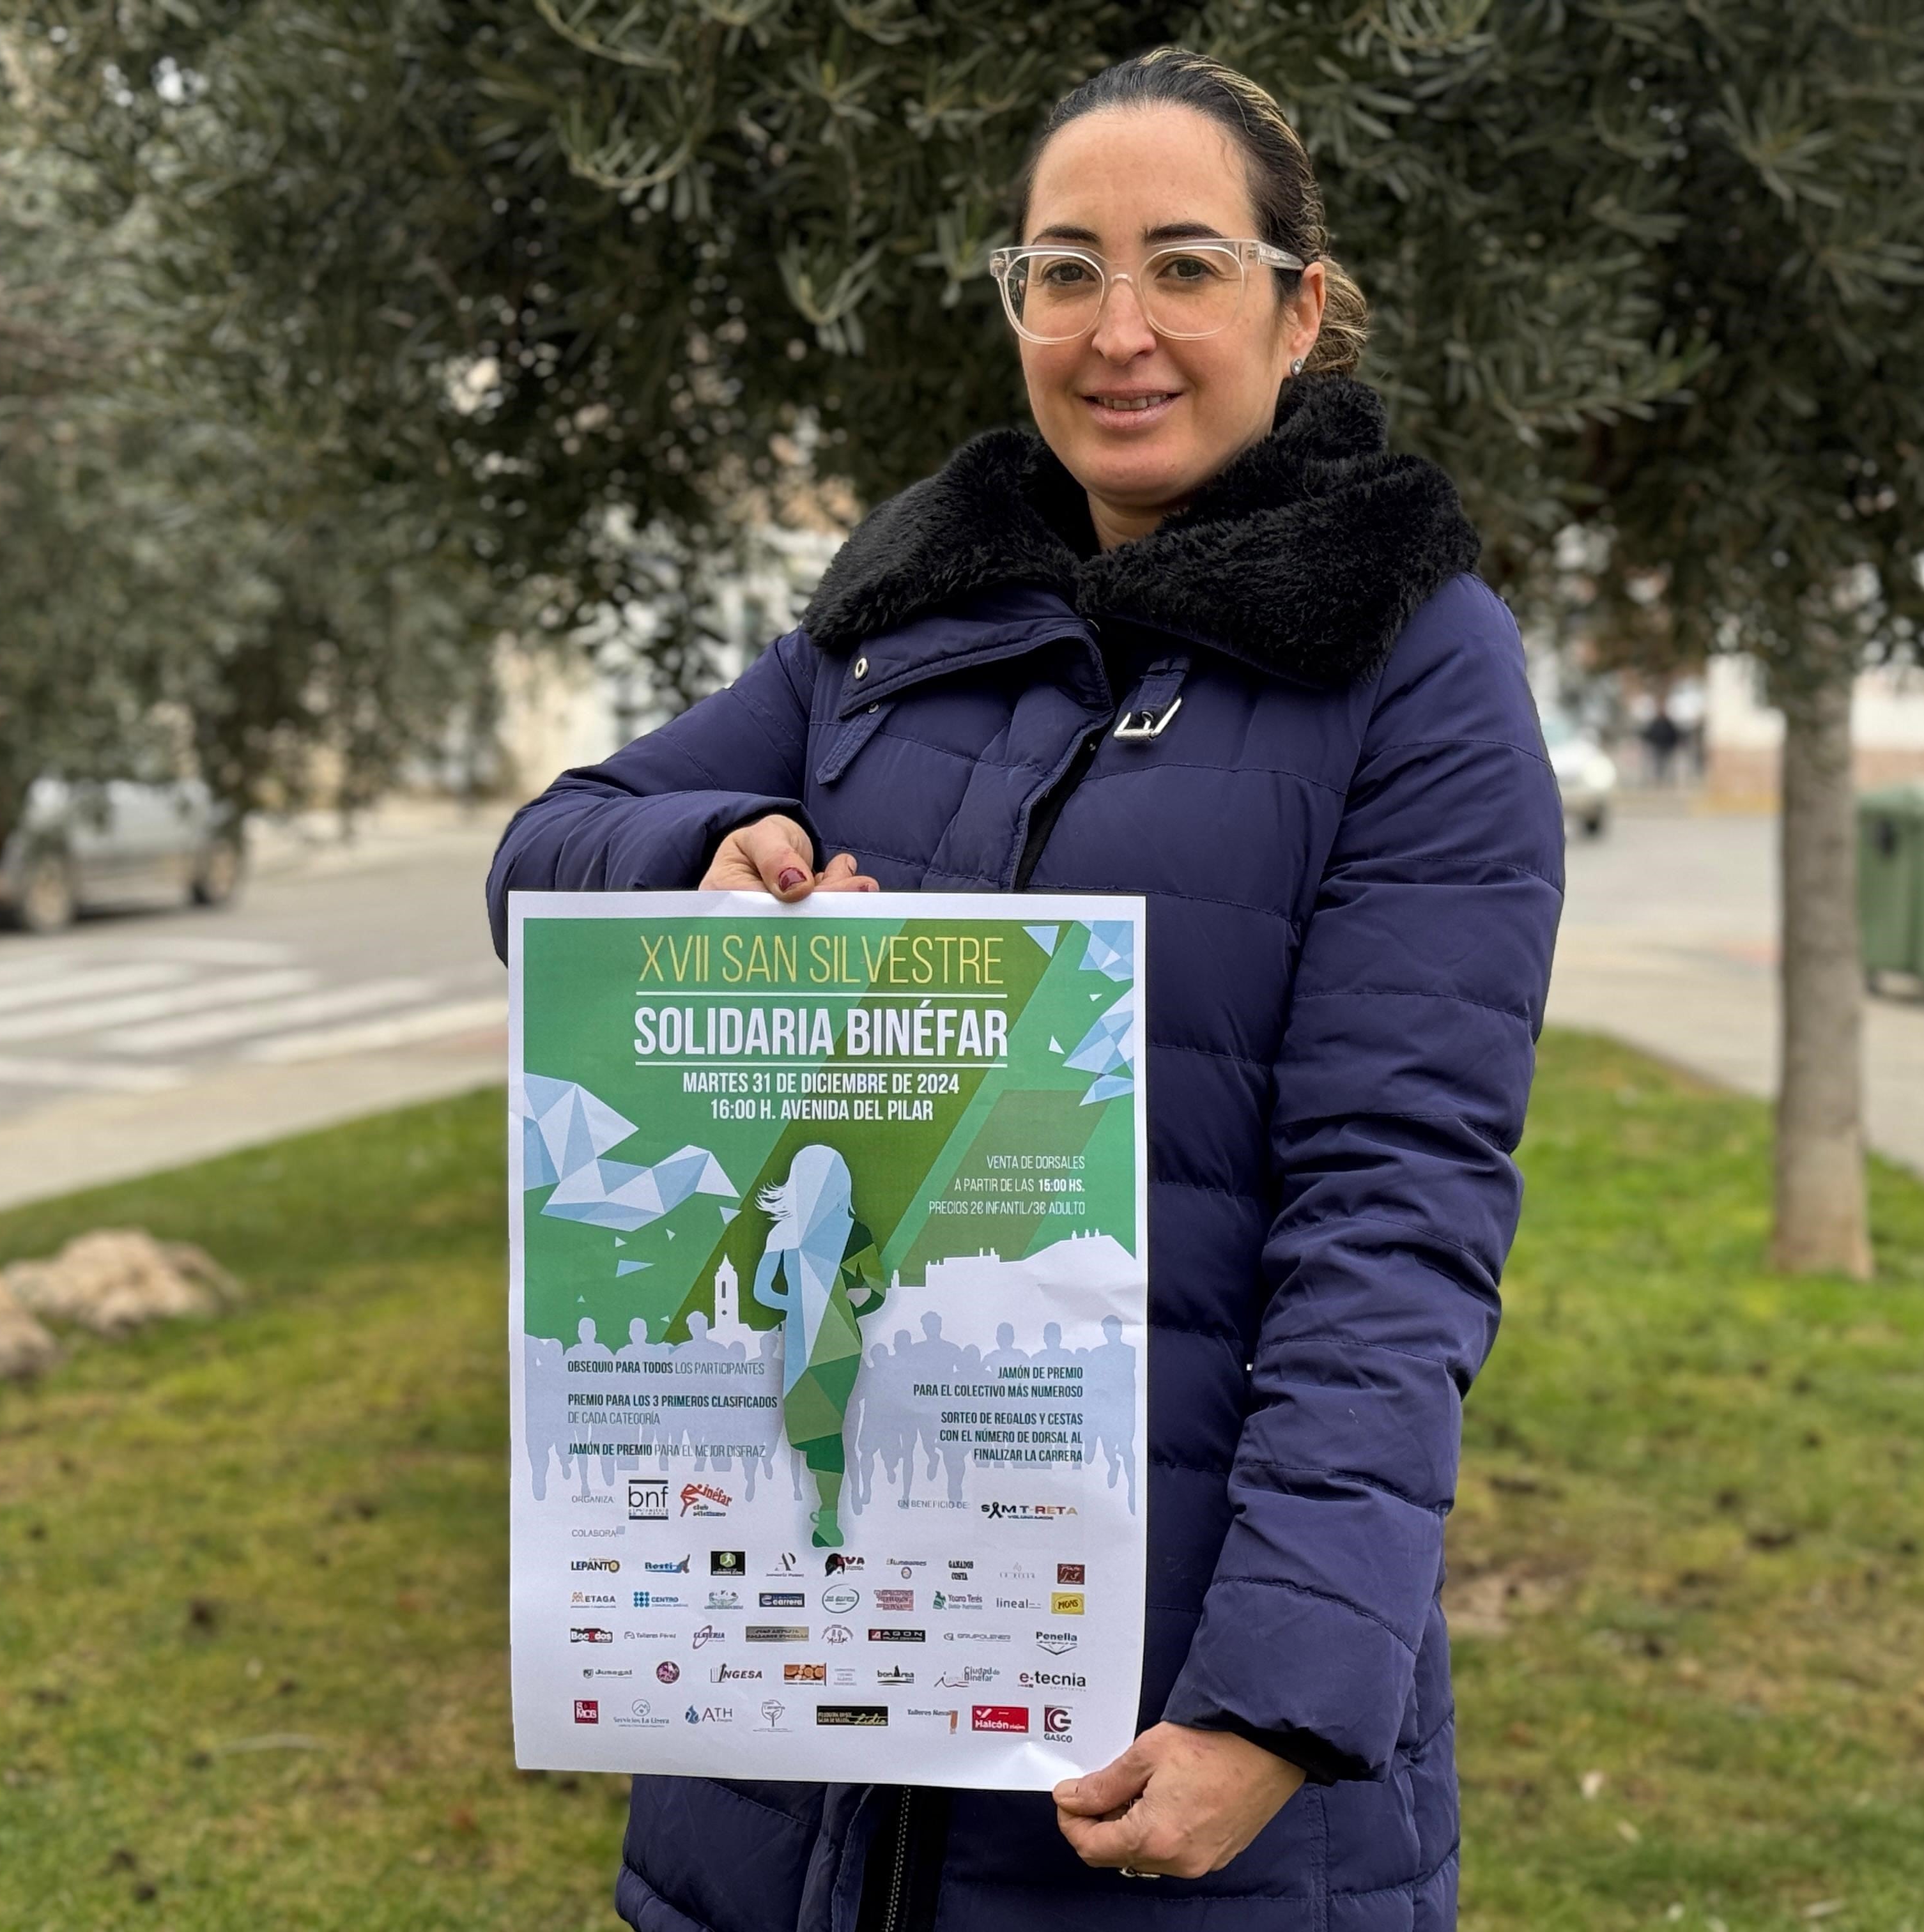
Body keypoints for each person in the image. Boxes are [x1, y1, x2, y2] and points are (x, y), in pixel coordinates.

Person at [486, 45, 1561, 1932]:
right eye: (1064, 269)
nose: (1116, 329)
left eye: (1185, 266)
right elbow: (550, 855)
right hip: (791, 1720)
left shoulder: (1416, 662)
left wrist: (1279, 1707)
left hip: (1158, 1730)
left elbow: (1396, 1216)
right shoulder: (899, 618)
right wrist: (714, 845)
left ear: (1301, 311)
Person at [747, 1144, 888, 1548]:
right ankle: (827, 1508)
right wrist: (844, 1311)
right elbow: (876, 1294)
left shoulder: (783, 1233)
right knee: (817, 1432)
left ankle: (829, 1518)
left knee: (818, 1432)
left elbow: (764, 1291)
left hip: (804, 1340)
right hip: (839, 1342)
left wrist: (801, 1305)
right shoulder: (854, 1232)